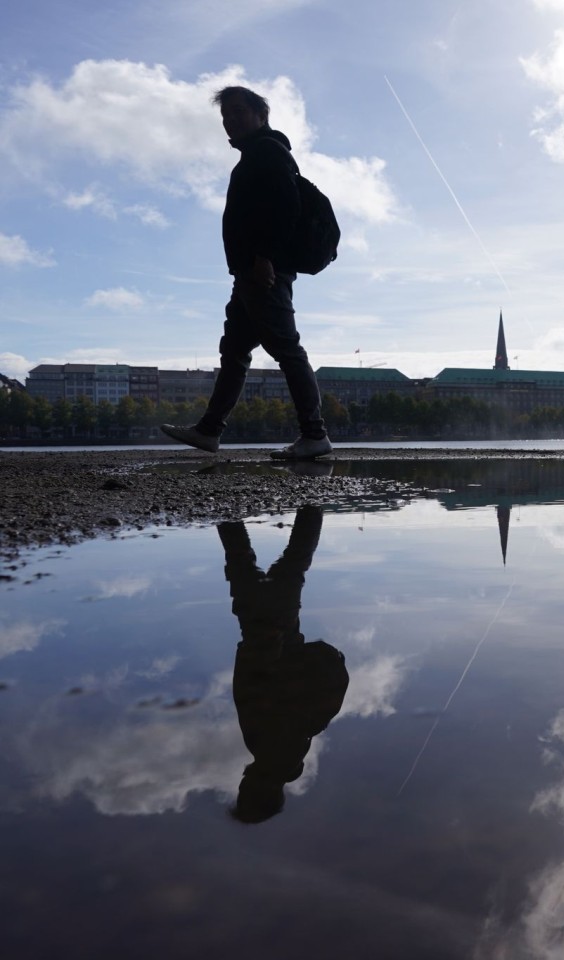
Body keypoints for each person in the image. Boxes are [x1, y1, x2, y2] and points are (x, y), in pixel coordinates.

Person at [161, 85, 332, 460]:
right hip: (250, 272)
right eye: (225, 115)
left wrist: (265, 257)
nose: (230, 120)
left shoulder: (267, 152)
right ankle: (209, 431)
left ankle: (315, 435)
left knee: (286, 349)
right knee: (235, 352)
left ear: (260, 115)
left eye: (238, 111)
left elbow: (285, 207)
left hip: (262, 272)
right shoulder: (256, 155)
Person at [218, 505, 349, 822]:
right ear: (256, 789)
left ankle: (310, 503)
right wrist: (270, 641)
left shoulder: (280, 753)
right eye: (244, 791)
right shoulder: (274, 750)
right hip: (268, 630)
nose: (242, 782)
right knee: (259, 562)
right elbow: (264, 685)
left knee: (281, 563)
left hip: (270, 631)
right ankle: (309, 503)